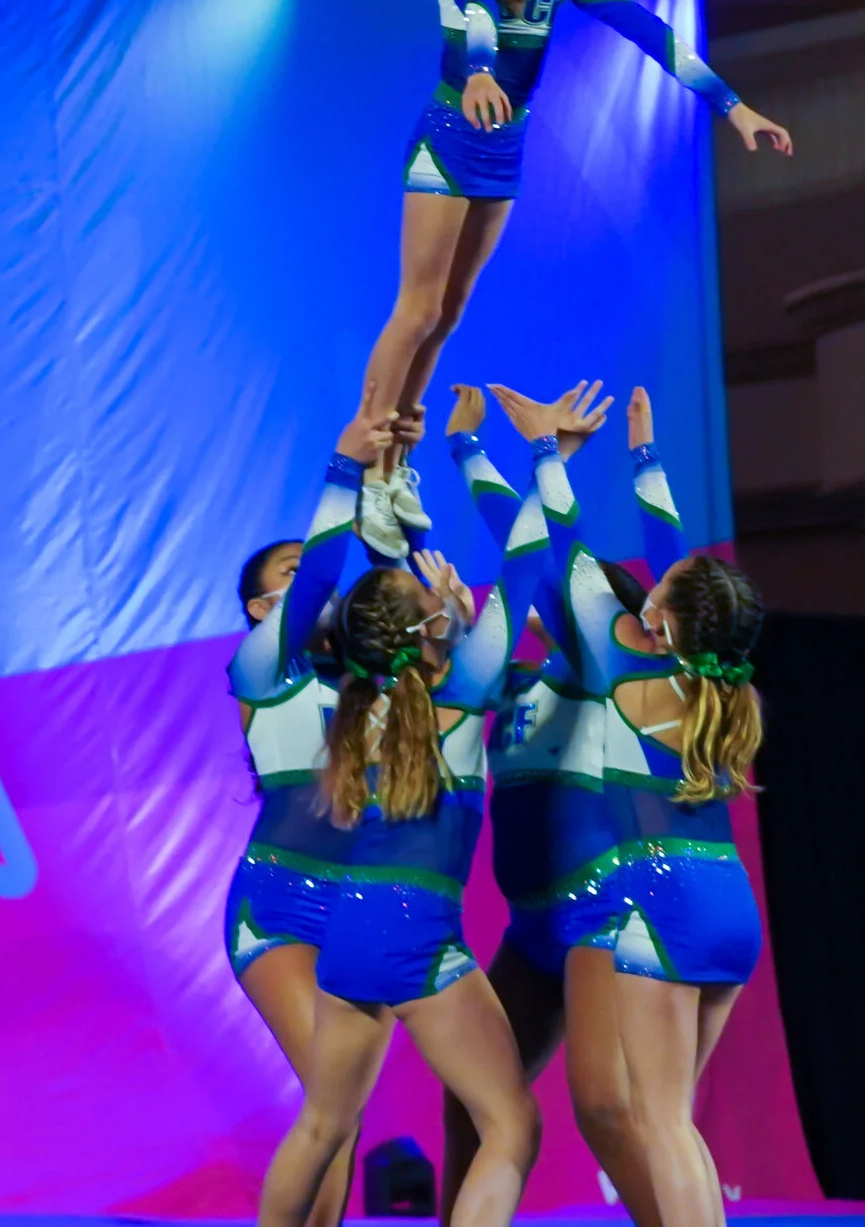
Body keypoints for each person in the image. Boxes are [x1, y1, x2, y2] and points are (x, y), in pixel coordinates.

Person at [350, 0, 791, 558]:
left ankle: (398, 465)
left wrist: (733, 106)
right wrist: (481, 71)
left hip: (504, 148)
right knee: (418, 307)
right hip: (450, 138)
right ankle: (371, 465)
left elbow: (649, 31)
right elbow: (477, 10)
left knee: (449, 313)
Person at [254, 397, 561, 1227]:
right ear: (428, 627)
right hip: (417, 932)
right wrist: (542, 454)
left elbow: (436, 617)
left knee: (322, 1126)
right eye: (431, 596)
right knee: (512, 1126)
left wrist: (426, 582)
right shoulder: (458, 698)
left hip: (348, 931)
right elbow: (530, 558)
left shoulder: (352, 708)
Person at [507, 385, 767, 1227]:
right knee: (673, 1124)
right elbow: (681, 566)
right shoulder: (721, 687)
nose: (654, 576)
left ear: (663, 614)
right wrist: (645, 456)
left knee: (659, 1124)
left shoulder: (620, 660)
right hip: (729, 906)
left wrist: (546, 454)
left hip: (659, 902)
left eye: (664, 585)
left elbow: (566, 549)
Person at [437, 385, 663, 1227]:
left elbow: (538, 551)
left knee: (604, 1107)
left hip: (602, 913)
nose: (538, 601)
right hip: (532, 930)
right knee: (472, 1103)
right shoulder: (519, 684)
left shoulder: (601, 675)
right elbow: (523, 562)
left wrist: (512, 457)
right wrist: (479, 452)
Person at [223, 406, 392, 1227]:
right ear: (262, 611)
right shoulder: (260, 670)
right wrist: (344, 470)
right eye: (290, 575)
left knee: (344, 1110)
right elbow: (325, 578)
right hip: (279, 907)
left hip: (366, 908)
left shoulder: (374, 689)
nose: (314, 583)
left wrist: (392, 505)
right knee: (332, 1095)